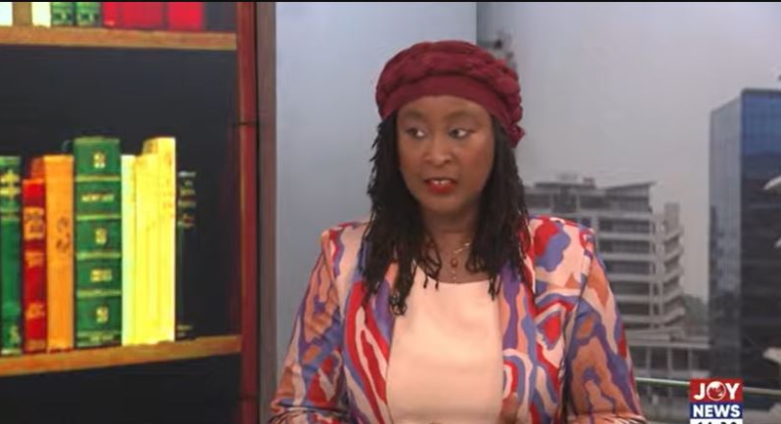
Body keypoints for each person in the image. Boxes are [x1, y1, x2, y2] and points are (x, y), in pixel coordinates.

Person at [269, 39, 647, 424]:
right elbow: (300, 410)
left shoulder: (566, 259)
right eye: (415, 132)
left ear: (498, 141)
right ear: (392, 146)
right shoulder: (345, 259)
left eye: (459, 132)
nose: (436, 155)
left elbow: (615, 415)